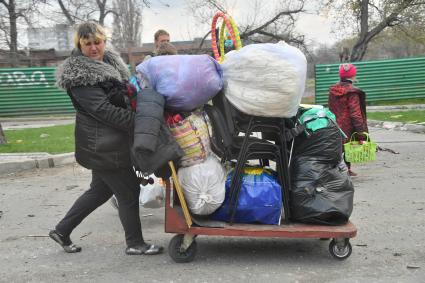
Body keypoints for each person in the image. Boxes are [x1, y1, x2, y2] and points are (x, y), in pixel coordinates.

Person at [51, 21, 163, 255]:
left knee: (100, 190)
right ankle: (135, 244)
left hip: (108, 142)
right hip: (103, 146)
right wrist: (141, 122)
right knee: (129, 192)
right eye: (87, 43)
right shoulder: (80, 77)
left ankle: (62, 230)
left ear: (104, 42)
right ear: (79, 45)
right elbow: (104, 111)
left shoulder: (109, 64)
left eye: (97, 42)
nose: (93, 48)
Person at [328, 63, 368, 177]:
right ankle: (344, 170)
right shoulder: (352, 93)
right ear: (353, 76)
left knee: (338, 148)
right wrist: (361, 133)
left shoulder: (333, 90)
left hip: (335, 123)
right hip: (348, 126)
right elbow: (355, 114)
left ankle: (342, 170)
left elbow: (331, 108)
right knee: (348, 147)